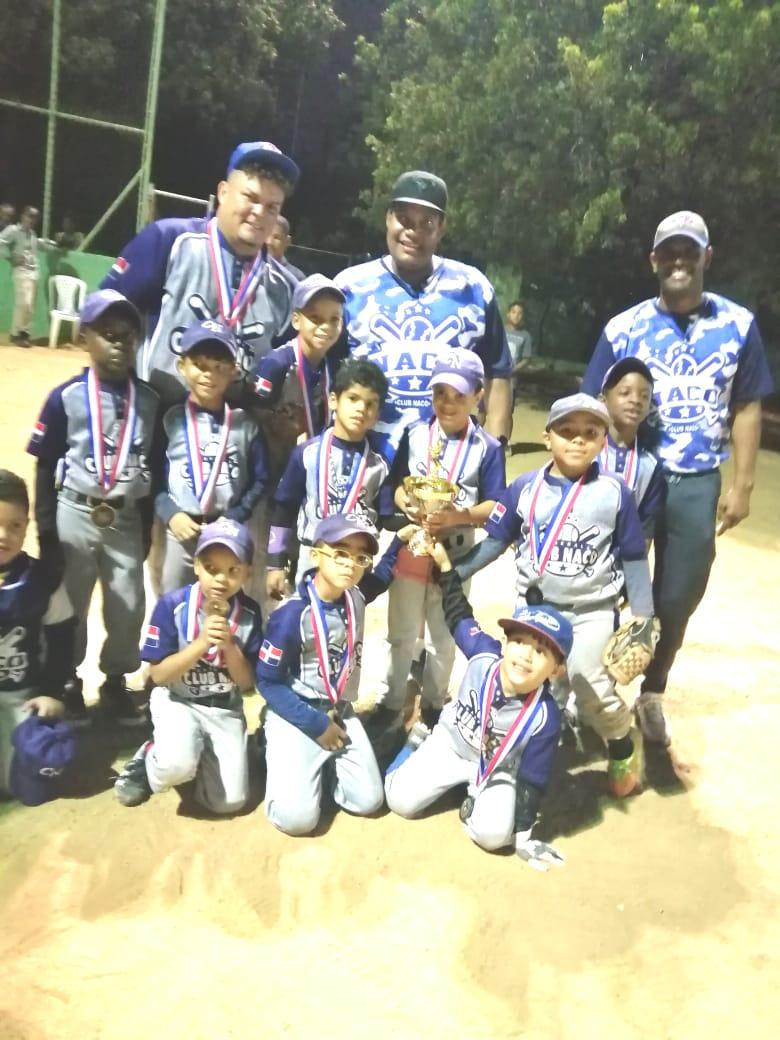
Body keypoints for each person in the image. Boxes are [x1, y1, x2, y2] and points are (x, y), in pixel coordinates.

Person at [581, 211, 774, 745]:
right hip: (629, 476)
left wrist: (743, 485)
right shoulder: (624, 327)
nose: (679, 260)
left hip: (696, 480)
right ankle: (584, 683)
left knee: (678, 594)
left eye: (689, 250)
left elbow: (747, 406)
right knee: (603, 583)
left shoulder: (738, 325)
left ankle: (651, 690)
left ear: (707, 258)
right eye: (669, 251)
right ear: (654, 262)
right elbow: (592, 399)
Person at [455, 393, 655, 798]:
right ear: (548, 437)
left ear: (603, 441)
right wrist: (454, 572)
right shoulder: (525, 488)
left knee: (593, 688)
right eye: (567, 431)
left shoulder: (615, 492)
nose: (578, 441)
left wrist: (644, 615)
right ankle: (530, 750)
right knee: (528, 683)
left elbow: (633, 555)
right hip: (535, 610)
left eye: (589, 433)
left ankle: (620, 745)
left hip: (592, 609)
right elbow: (496, 542)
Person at [385, 539, 572, 860]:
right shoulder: (483, 655)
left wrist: (524, 833)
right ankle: (414, 745)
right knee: (399, 802)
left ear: (555, 670)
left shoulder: (545, 716)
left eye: (541, 651)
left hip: (497, 769)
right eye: (520, 642)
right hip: (451, 744)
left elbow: (533, 779)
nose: (526, 655)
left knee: (496, 837)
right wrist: (445, 568)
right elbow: (459, 614)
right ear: (506, 643)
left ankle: (473, 799)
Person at [27, 290, 159, 725]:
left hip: (124, 515)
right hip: (75, 513)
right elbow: (45, 465)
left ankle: (116, 681)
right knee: (71, 602)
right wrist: (46, 530)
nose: (119, 343)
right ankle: (68, 680)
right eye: (107, 333)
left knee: (127, 604)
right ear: (85, 337)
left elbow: (153, 466)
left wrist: (143, 530)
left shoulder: (150, 400)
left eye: (127, 334)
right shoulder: (65, 397)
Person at [100, 140, 300, 405]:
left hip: (231, 436)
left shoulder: (285, 288)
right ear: (224, 192)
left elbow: (288, 363)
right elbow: (105, 317)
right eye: (250, 198)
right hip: (154, 424)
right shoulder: (169, 240)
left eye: (272, 207)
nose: (259, 213)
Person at [334, 170, 513, 459]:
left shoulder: (473, 288)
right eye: (404, 219)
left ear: (441, 227)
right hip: (364, 462)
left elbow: (498, 373)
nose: (413, 231)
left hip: (450, 467)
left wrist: (494, 450)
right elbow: (325, 375)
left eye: (426, 223)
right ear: (388, 218)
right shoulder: (349, 287)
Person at [379, 351, 505, 727]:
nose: (448, 403)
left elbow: (496, 504)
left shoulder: (487, 448)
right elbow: (397, 484)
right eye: (440, 393)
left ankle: (434, 704)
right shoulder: (416, 433)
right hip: (414, 547)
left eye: (459, 395)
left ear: (478, 395)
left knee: (443, 633)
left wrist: (458, 516)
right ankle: (391, 700)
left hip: (455, 553)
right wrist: (407, 503)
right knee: (401, 631)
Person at [257, 513, 395, 835]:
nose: (350, 564)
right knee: (297, 821)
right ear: (315, 554)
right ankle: (269, 750)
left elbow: (386, 573)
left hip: (340, 710)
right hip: (296, 712)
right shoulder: (292, 615)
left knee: (368, 801)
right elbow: (267, 681)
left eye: (360, 557)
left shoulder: (354, 596)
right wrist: (316, 724)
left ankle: (321, 766)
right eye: (340, 552)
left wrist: (402, 539)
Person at [114, 519, 263, 813]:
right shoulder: (172, 605)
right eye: (212, 568)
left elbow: (246, 684)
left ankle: (200, 756)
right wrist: (200, 644)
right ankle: (150, 759)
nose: (221, 579)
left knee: (229, 802)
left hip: (223, 708)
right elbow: (158, 675)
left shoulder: (249, 614)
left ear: (248, 572)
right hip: (178, 701)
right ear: (196, 566)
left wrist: (229, 646)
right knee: (176, 765)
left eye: (233, 570)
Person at [154, 319, 268, 594]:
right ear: (182, 366)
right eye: (201, 366)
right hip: (180, 532)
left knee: (225, 609)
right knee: (173, 605)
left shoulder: (245, 424)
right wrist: (171, 514)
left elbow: (260, 479)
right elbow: (153, 475)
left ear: (234, 371)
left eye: (219, 368)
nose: (209, 375)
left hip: (227, 534)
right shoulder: (170, 419)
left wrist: (235, 516)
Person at [266, 358, 390, 598]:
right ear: (334, 400)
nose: (361, 409)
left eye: (370, 404)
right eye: (353, 398)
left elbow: (385, 517)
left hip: (354, 564)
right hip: (312, 556)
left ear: (377, 414)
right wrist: (275, 563)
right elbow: (285, 508)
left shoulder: (379, 463)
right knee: (306, 627)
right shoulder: (307, 454)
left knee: (348, 627)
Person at [0, 470, 76, 796]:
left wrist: (52, 693)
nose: (4, 535)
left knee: (23, 783)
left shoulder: (41, 580)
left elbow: (61, 639)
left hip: (23, 695)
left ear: (28, 525)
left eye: (15, 525)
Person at [252, 274, 344, 469]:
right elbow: (254, 419)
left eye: (334, 319)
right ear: (296, 320)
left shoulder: (333, 368)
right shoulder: (276, 364)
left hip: (311, 467)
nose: (326, 327)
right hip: (273, 468)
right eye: (315, 318)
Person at [597, 357, 665, 539]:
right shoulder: (585, 453)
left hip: (622, 564)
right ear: (603, 400)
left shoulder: (650, 467)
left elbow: (645, 531)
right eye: (625, 392)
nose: (635, 400)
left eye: (644, 396)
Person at [0, 205, 55, 347]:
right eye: (30, 216)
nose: (32, 220)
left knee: (30, 306)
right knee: (23, 303)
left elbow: (42, 246)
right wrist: (10, 257)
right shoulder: (13, 230)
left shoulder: (32, 234)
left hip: (33, 271)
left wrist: (56, 245)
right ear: (23, 216)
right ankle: (16, 334)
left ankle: (24, 334)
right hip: (20, 270)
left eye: (35, 217)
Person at [267, 215, 305, 282]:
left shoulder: (296, 277)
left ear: (287, 241)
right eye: (266, 235)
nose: (269, 242)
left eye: (276, 237)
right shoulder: (248, 267)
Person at [505, 300, 534, 371]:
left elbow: (526, 360)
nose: (516, 316)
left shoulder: (526, 335)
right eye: (513, 312)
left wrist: (513, 370)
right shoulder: (499, 330)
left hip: (512, 377)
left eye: (520, 313)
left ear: (523, 316)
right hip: (494, 374)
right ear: (508, 314)